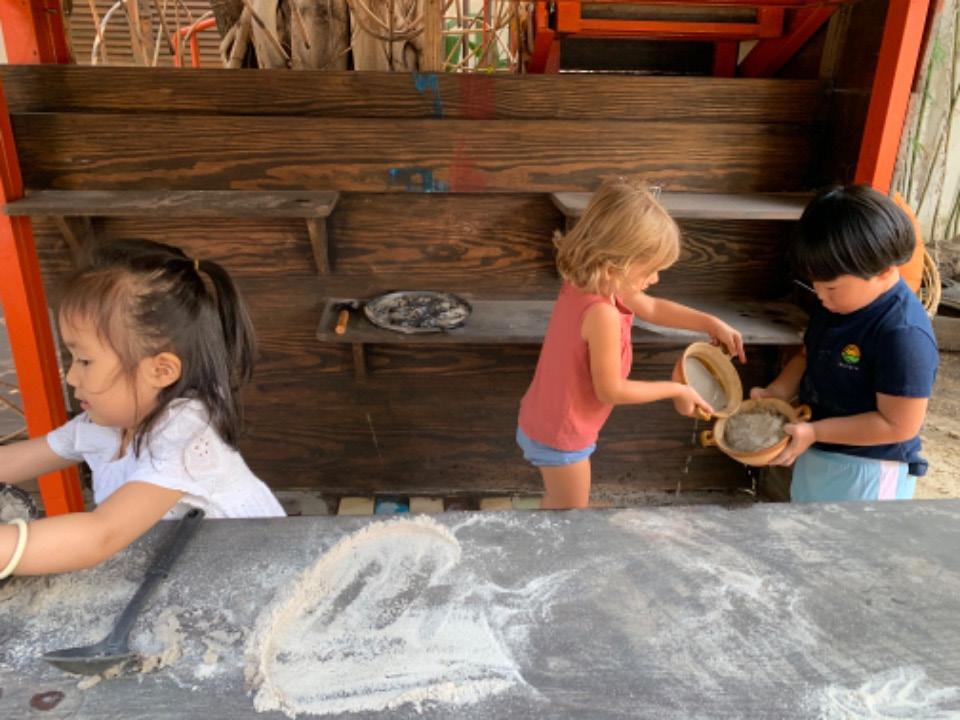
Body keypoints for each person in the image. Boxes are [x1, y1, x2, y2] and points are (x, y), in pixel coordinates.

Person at [0, 239, 284, 579]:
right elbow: (17, 460)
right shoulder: (103, 426)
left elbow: (101, 535)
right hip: (185, 567)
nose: (72, 377)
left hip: (257, 574)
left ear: (160, 371)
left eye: (85, 361)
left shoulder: (187, 439)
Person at [517, 177, 746, 510]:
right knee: (568, 517)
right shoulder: (602, 315)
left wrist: (709, 322)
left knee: (560, 504)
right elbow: (611, 390)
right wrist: (677, 390)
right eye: (651, 270)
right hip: (561, 436)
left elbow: (652, 308)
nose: (655, 278)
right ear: (616, 267)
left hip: (546, 416)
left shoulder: (589, 282)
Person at [751, 184, 939, 502]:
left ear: (884, 271)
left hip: (870, 470)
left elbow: (898, 425)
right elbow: (808, 356)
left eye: (831, 288)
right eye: (815, 285)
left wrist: (816, 432)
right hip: (818, 450)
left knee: (856, 536)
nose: (820, 296)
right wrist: (777, 393)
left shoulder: (904, 335)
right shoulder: (837, 303)